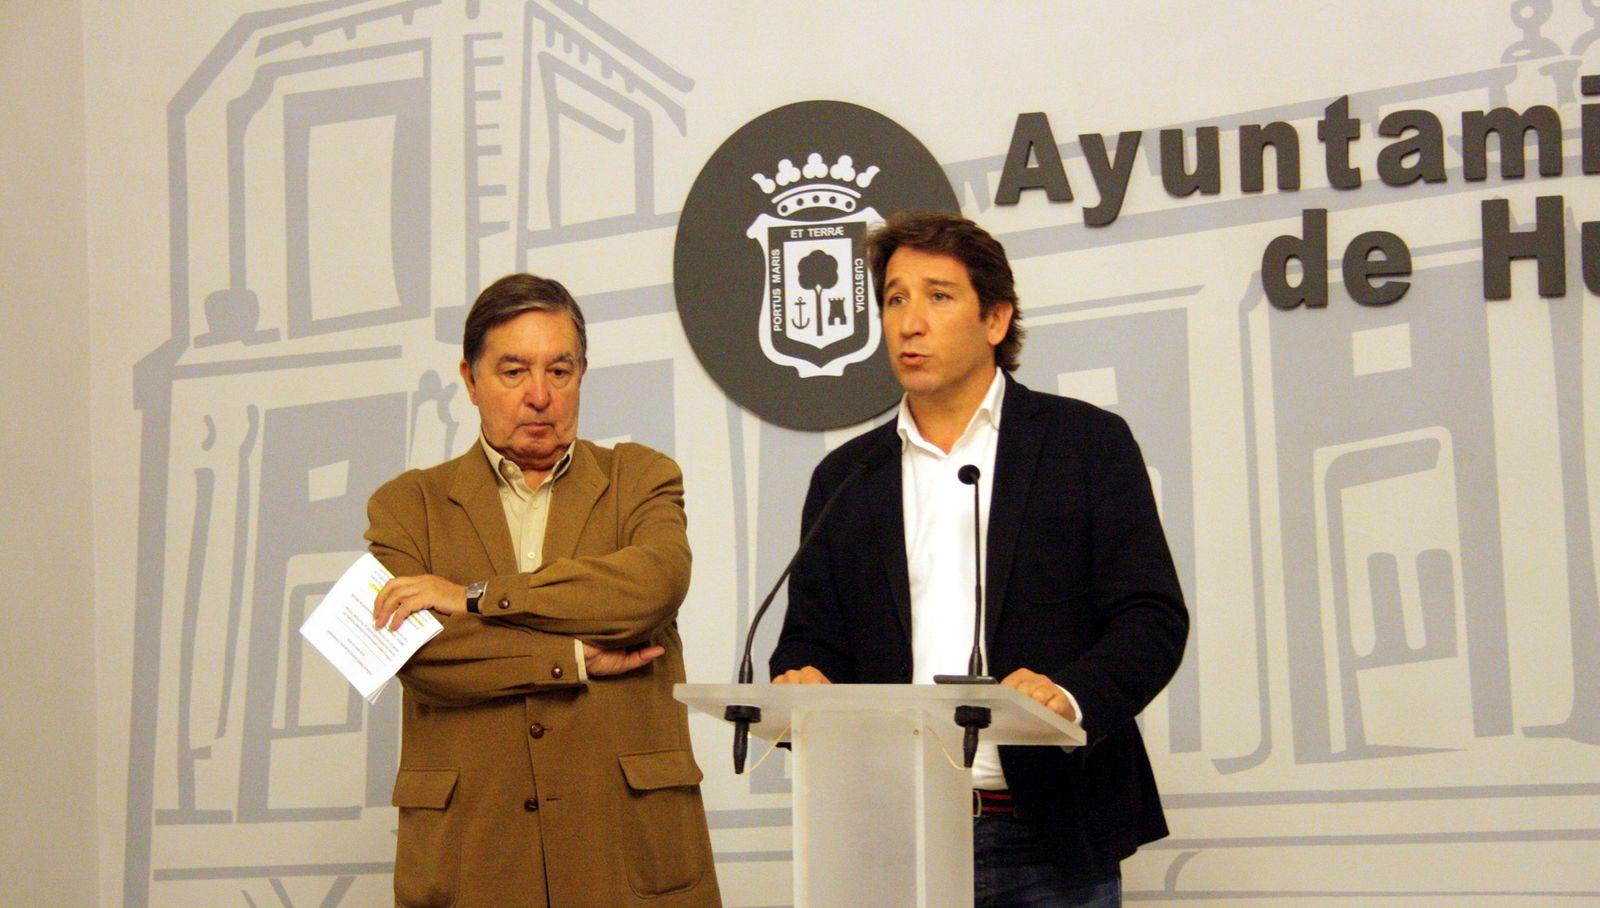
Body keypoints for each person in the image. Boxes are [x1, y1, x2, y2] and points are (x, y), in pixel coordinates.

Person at [769, 212, 1188, 907]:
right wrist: (804, 682)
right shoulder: (847, 476)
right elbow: (815, 637)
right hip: (893, 832)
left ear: (996, 319)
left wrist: (1069, 694)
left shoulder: (1087, 445)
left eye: (938, 296)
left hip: (1047, 834)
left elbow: (1151, 619)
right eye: (895, 298)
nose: (909, 321)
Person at [366, 274, 721, 907]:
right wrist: (577, 659)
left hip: (629, 850)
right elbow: (425, 660)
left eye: (559, 371)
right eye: (512, 372)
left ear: (583, 373)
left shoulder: (641, 478)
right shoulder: (405, 507)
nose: (539, 396)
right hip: (474, 853)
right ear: (470, 379)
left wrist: (474, 597)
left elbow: (652, 587)